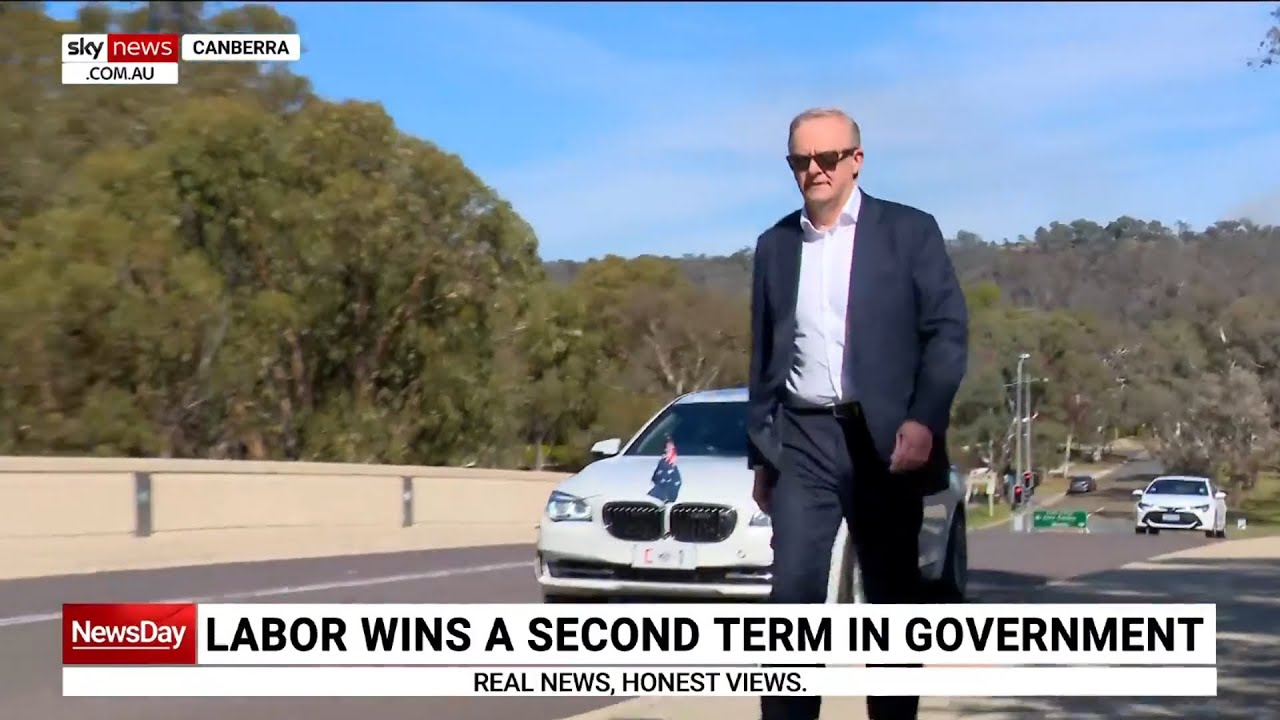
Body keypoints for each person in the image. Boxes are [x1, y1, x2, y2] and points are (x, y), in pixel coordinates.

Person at [746, 107, 969, 720]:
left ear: (856, 160)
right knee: (790, 602)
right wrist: (762, 456)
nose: (814, 170)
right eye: (801, 161)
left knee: (892, 602)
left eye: (827, 158)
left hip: (886, 443)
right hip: (803, 439)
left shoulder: (910, 232)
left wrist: (925, 419)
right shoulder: (775, 245)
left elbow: (947, 334)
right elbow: (764, 355)